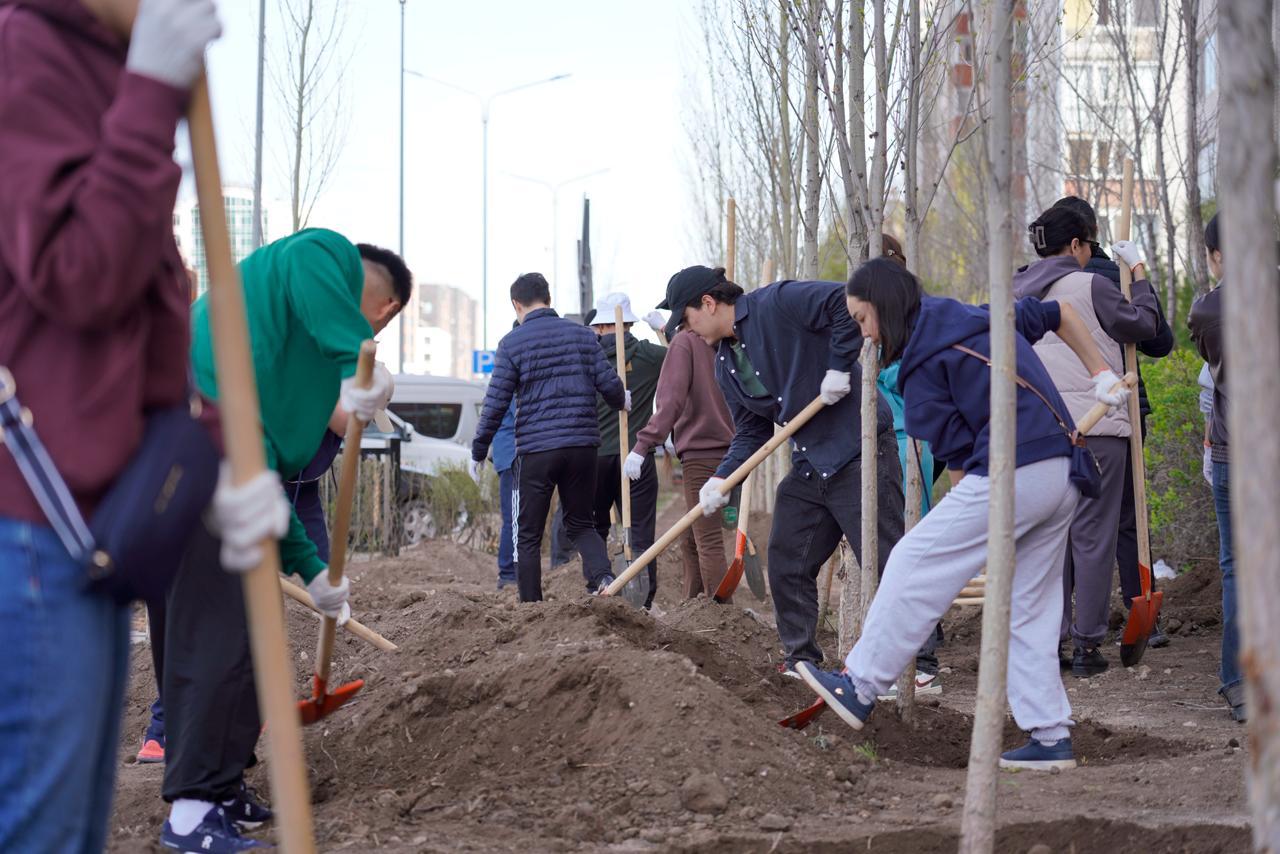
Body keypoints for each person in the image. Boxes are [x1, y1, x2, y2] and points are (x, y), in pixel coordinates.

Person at [0, 1, 243, 850]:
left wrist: (212, 468)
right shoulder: (23, 52)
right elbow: (81, 273)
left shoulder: (90, 64)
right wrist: (148, 93)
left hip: (77, 538)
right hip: (27, 534)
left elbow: (131, 334)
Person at [797, 258, 1129, 770]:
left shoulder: (922, 368)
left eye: (864, 319)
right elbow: (1061, 312)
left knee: (912, 560)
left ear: (885, 308)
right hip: (1062, 473)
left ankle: (861, 685)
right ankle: (1049, 736)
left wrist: (960, 528)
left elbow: (957, 463)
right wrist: (1100, 373)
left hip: (1016, 469)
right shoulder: (983, 317)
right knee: (1030, 606)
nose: (864, 334)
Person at [156, 233, 406, 852]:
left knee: (247, 628)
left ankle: (218, 786)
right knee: (219, 630)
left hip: (211, 457)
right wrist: (359, 360)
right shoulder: (322, 253)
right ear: (384, 309)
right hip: (187, 444)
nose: (358, 421)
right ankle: (190, 811)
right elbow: (312, 271)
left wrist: (314, 571)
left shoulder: (276, 379)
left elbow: (263, 479)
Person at [657, 265, 905, 677]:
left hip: (857, 447)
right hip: (811, 460)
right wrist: (722, 477)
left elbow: (846, 304)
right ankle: (801, 660)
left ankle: (920, 664)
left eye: (686, 319)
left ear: (708, 302)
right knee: (787, 556)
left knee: (885, 559)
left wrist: (839, 367)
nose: (686, 330)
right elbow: (751, 431)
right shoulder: (725, 365)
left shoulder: (777, 303)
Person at [1012, 206, 1160, 677]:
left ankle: (1048, 640)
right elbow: (1147, 327)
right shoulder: (1091, 285)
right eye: (1088, 247)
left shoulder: (1016, 290)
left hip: (1041, 431)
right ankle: (1086, 645)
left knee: (1050, 538)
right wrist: (1137, 272)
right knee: (1093, 536)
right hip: (1097, 426)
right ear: (1076, 245)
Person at [1052, 196, 1173, 648]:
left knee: (1066, 524)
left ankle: (1065, 630)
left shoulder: (1043, 282)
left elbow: (1154, 341)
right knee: (1121, 520)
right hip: (1115, 411)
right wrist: (1139, 275)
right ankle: (1130, 619)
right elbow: (1160, 341)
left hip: (1060, 417)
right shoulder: (1109, 276)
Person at [470, 273, 627, 601]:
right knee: (582, 523)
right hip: (583, 447)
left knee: (527, 535)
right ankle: (604, 578)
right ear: (549, 299)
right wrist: (621, 399)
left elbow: (495, 403)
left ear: (516, 304)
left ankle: (531, 606)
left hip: (537, 450)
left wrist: (479, 449)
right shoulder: (583, 336)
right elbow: (609, 385)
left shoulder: (512, 344)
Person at [870, 235, 944, 699]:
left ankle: (924, 662)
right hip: (895, 445)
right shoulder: (884, 315)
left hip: (906, 446)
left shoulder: (904, 321)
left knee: (909, 552)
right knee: (900, 550)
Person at [1188, 214, 1245, 723]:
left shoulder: (1208, 311)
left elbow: (1213, 368)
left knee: (1236, 568)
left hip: (1234, 450)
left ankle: (1241, 685)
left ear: (1216, 255)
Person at [631, 324, 735, 600]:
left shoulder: (685, 342)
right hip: (731, 451)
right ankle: (693, 607)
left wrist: (643, 444)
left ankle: (724, 616)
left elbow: (671, 402)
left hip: (702, 455)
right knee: (690, 539)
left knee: (708, 541)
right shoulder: (720, 337)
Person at [590, 293, 667, 608]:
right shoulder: (650, 355)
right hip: (635, 457)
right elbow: (682, 359)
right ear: (631, 324)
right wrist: (664, 331)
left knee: (594, 529)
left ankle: (597, 586)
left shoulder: (587, 357)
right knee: (640, 535)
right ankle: (643, 601)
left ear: (604, 326)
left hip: (594, 460)